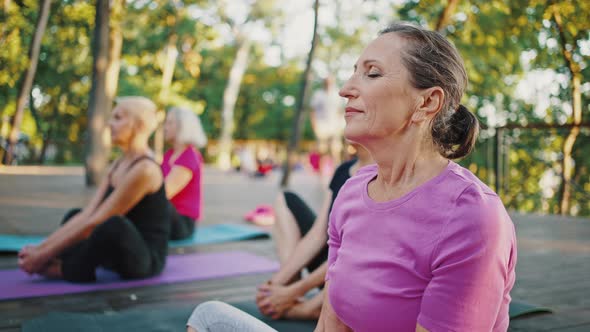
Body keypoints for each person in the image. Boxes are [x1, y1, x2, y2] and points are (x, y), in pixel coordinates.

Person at [316, 22, 517, 332]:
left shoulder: (472, 217)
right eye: (354, 72)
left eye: (372, 74)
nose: (345, 90)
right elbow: (330, 325)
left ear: (426, 103)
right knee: (213, 316)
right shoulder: (352, 192)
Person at [18, 96, 170, 282]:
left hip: (144, 260)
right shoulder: (119, 163)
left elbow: (97, 221)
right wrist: (40, 249)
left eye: (118, 117)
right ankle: (68, 262)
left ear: (138, 125)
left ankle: (72, 270)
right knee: (74, 215)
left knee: (113, 224)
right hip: (116, 252)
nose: (109, 123)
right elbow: (89, 213)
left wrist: (41, 256)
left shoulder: (145, 170)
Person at [255, 143, 372, 320]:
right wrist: (275, 284)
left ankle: (307, 308)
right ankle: (284, 292)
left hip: (354, 273)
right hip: (330, 266)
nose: (348, 116)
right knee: (285, 200)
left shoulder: (383, 175)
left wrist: (295, 291)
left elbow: (355, 252)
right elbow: (318, 234)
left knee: (355, 255)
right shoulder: (343, 170)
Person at [162, 107, 207, 240]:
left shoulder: (189, 156)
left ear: (183, 127)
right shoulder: (169, 155)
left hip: (182, 224)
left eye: (169, 123)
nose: (165, 127)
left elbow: (164, 193)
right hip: (168, 216)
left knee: (154, 201)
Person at [310, 76, 345, 167]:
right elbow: (312, 111)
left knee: (335, 150)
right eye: (326, 81)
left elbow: (340, 111)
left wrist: (341, 125)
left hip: (335, 126)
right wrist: (314, 125)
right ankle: (321, 177)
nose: (328, 83)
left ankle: (336, 173)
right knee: (322, 151)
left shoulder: (337, 94)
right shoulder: (318, 94)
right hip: (321, 126)